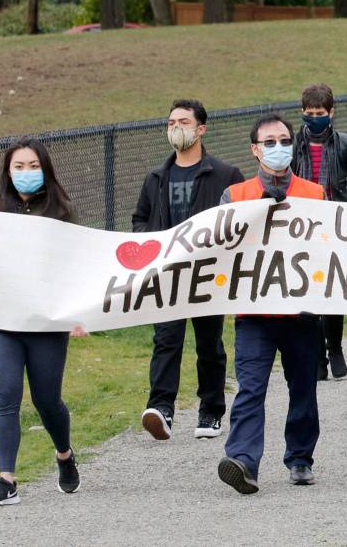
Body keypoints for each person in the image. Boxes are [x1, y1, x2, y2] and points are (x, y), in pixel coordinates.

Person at [0, 138, 83, 505]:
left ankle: (64, 454)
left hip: (45, 322)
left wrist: (77, 314)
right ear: (7, 172)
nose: (25, 173)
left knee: (47, 399)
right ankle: (6, 480)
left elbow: (78, 266)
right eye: (18, 167)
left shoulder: (63, 214)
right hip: (0, 321)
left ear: (45, 170)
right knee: (6, 395)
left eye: (33, 166)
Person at [217, 114, 325, 494]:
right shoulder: (235, 195)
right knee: (250, 387)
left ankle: (300, 458)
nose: (277, 148)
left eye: (283, 140)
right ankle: (243, 461)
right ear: (254, 149)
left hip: (301, 312)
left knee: (303, 387)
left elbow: (330, 249)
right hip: (254, 313)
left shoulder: (315, 194)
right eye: (269, 142)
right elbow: (222, 247)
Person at [132, 100, 244, 441]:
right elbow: (140, 219)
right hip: (167, 275)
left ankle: (210, 410)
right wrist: (148, 245)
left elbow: (241, 222)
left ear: (201, 129)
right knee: (166, 340)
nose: (175, 127)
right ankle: (161, 408)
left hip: (209, 274)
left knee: (209, 342)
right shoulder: (156, 178)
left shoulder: (225, 175)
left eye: (183, 121)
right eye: (170, 122)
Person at [293, 84, 347, 382]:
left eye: (320, 113)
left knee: (332, 291)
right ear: (302, 113)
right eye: (310, 114)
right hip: (302, 228)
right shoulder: (291, 146)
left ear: (331, 113)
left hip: (336, 226)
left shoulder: (344, 145)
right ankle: (316, 356)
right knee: (308, 292)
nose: (315, 118)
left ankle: (334, 347)